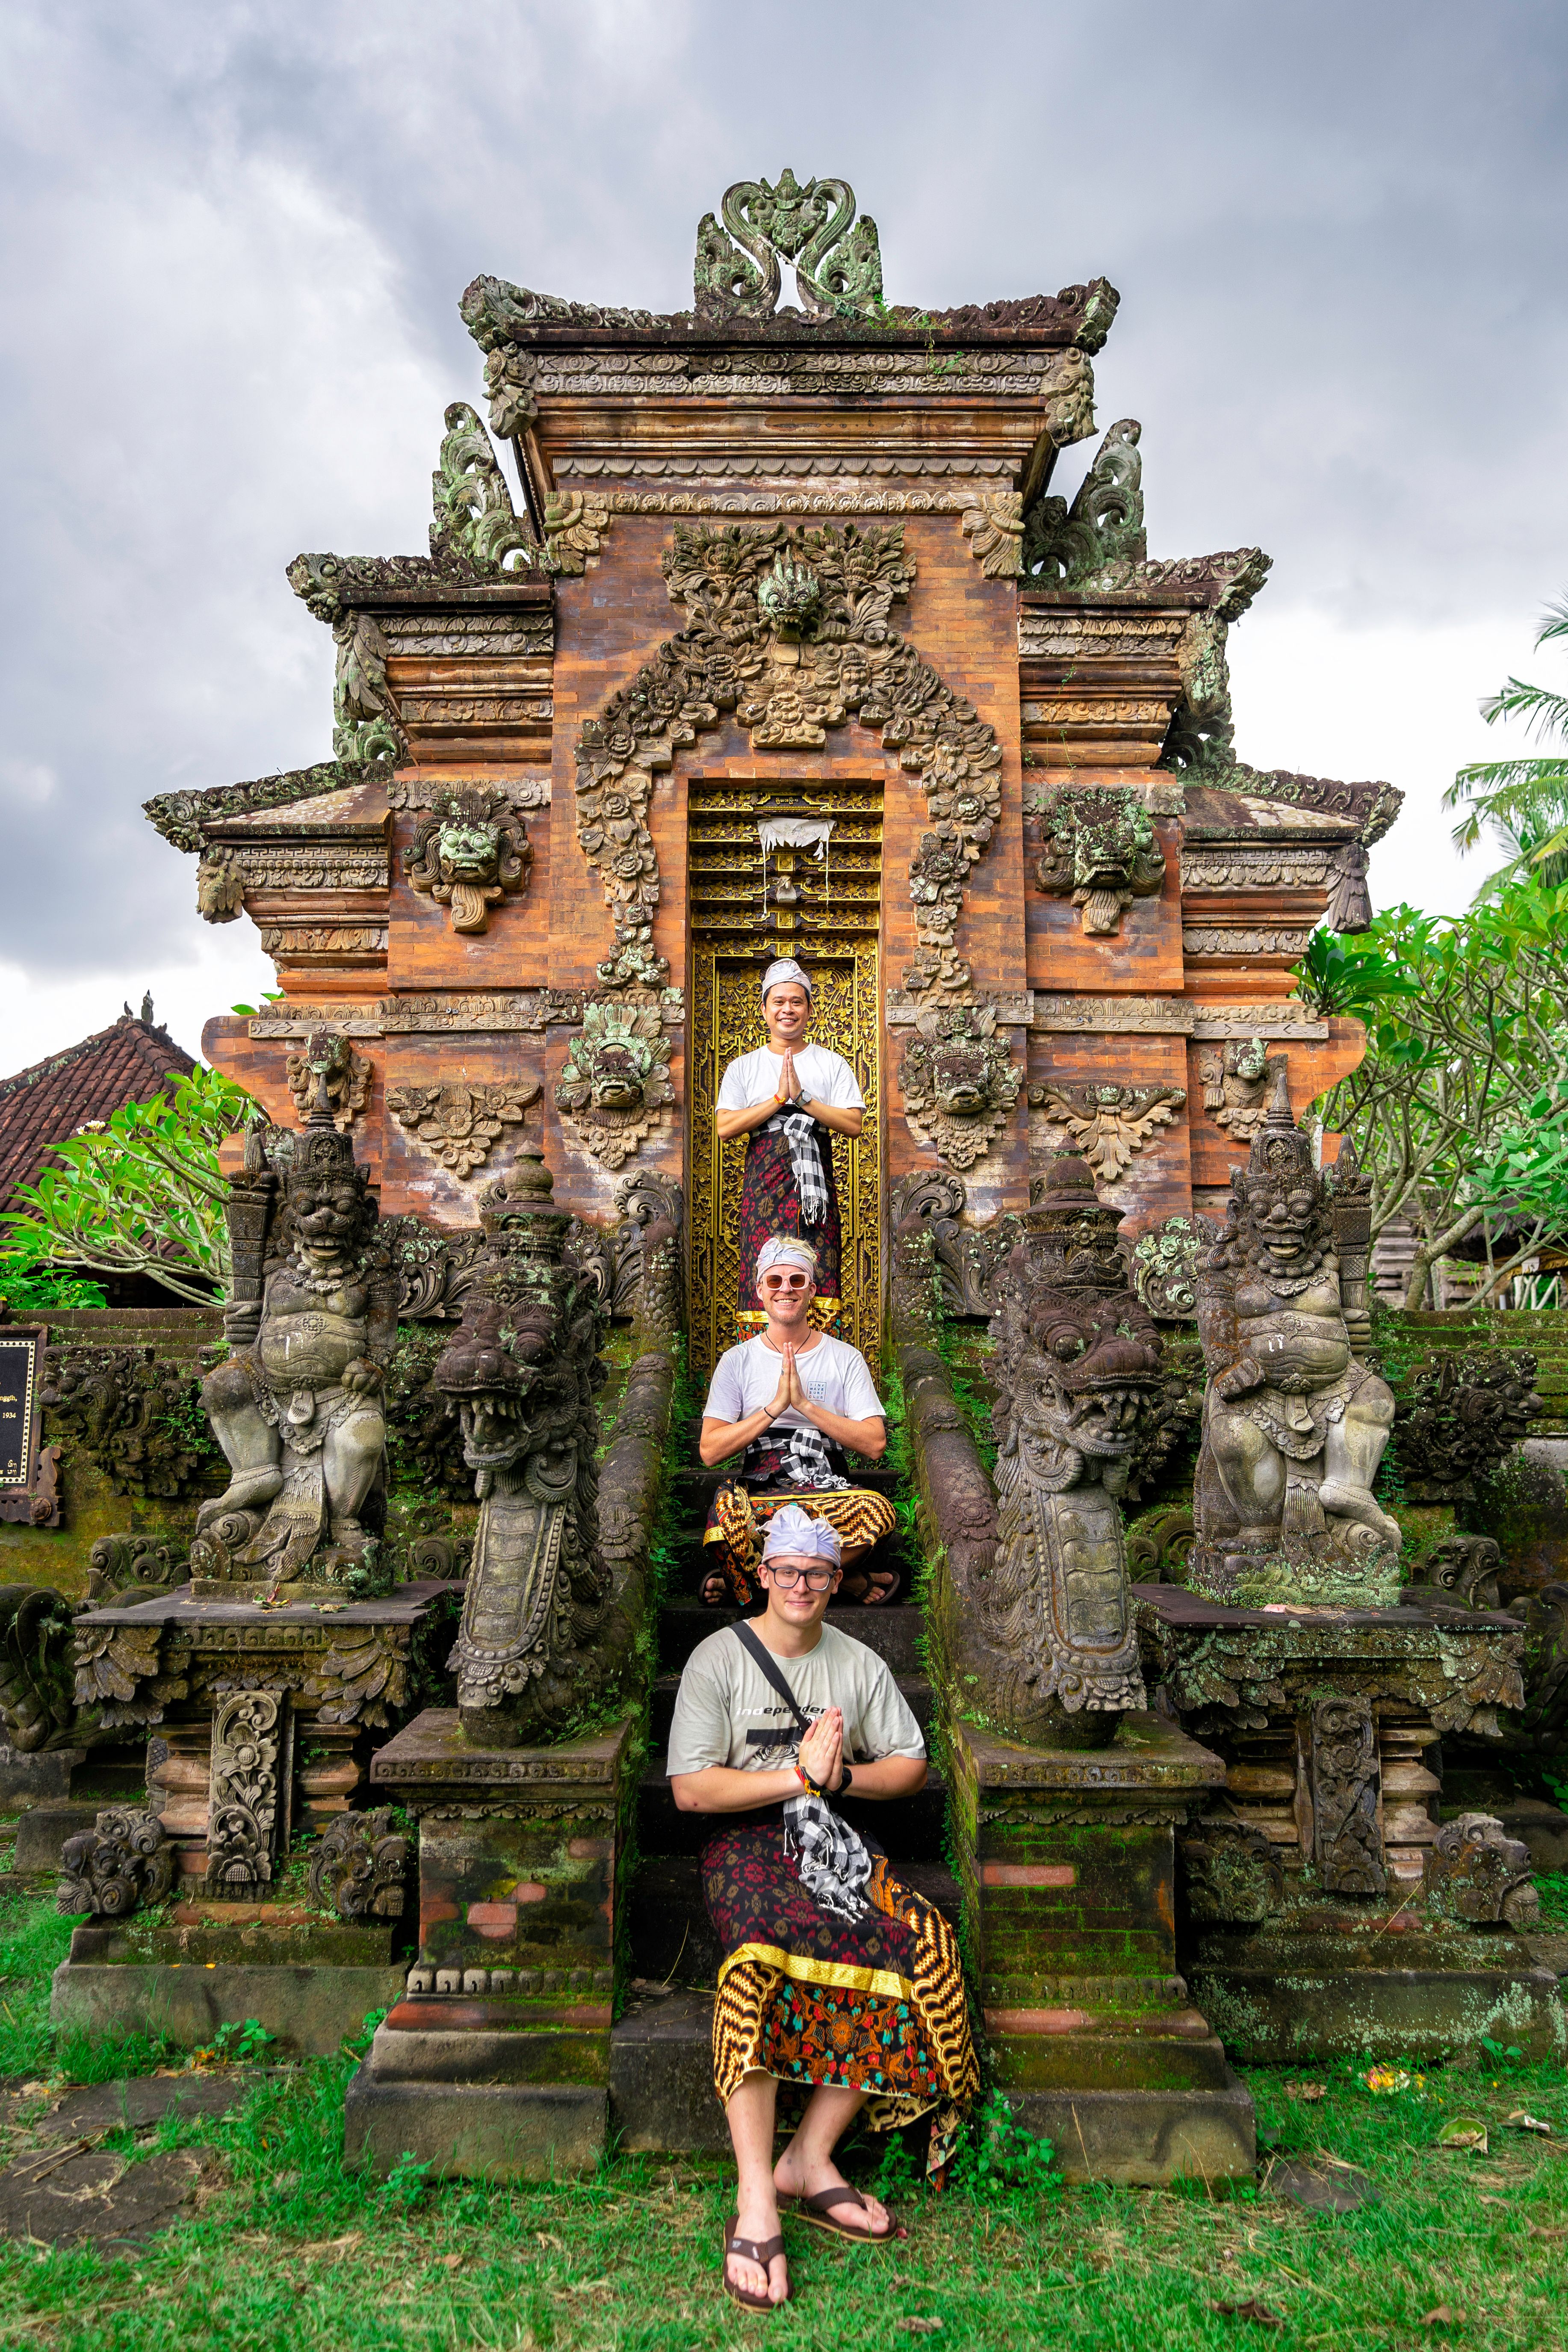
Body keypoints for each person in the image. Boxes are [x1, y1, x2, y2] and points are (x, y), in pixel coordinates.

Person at [669, 1505, 978, 2313]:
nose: (800, 1586)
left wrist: (837, 1782)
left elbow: (909, 1766)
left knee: (917, 1947)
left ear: (837, 1582)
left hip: (835, 1845)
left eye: (817, 1574)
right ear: (762, 1576)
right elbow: (693, 1789)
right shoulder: (718, 1659)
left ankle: (809, 2157)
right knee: (759, 1956)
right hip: (745, 1844)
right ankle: (755, 2198)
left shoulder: (858, 1663)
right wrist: (796, 1781)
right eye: (786, 1572)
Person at [700, 1235, 898, 1606]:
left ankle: (752, 1581)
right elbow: (710, 1451)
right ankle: (845, 1580)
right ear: (760, 1290)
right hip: (763, 1489)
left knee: (878, 1511)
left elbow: (874, 1444)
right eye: (775, 1281)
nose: (785, 1290)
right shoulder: (737, 1360)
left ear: (811, 1290)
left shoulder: (845, 1358)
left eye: (796, 1281)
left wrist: (805, 1405)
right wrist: (774, 1408)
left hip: (828, 1488)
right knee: (725, 1514)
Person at [717, 958, 863, 1330]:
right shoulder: (743, 1067)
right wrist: (779, 1099)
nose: (788, 1010)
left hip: (815, 1198)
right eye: (779, 1002)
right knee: (765, 1273)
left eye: (796, 1002)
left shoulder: (832, 1064)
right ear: (764, 1009)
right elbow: (725, 1128)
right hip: (762, 1190)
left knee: (817, 1274)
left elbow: (853, 1124)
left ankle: (819, 1371)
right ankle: (761, 1376)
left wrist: (804, 1097)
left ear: (809, 1010)